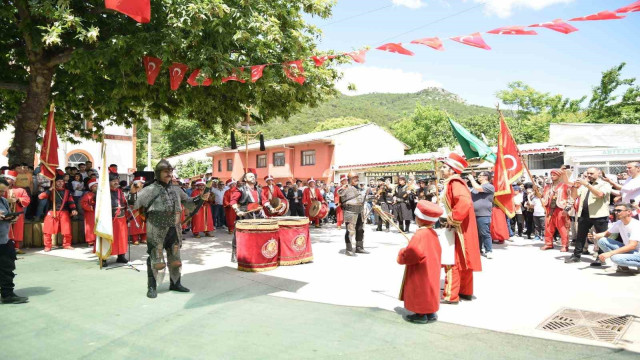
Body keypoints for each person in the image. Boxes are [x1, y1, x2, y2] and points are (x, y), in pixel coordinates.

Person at [129, 159, 206, 298]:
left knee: (175, 259)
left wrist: (200, 197)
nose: (169, 174)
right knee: (155, 258)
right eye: (166, 171)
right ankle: (151, 287)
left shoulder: (177, 189)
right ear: (158, 173)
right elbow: (134, 204)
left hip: (174, 229)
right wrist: (132, 193)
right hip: (156, 228)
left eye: (170, 171)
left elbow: (189, 202)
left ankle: (175, 283)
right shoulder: (149, 190)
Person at [439, 153, 482, 304]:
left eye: (444, 167)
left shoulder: (455, 183)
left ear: (452, 170)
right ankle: (465, 291)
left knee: (452, 259)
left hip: (457, 226)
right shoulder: (453, 182)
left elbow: (464, 203)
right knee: (463, 259)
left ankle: (451, 295)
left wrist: (452, 219)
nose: (441, 170)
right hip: (460, 226)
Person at [398, 200, 443, 324]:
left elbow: (412, 254)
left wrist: (402, 253)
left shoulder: (419, 235)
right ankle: (430, 311)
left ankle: (421, 314)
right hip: (431, 267)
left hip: (421, 269)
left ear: (420, 219)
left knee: (420, 289)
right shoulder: (433, 233)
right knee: (430, 288)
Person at [565, 167, 611, 265]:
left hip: (599, 215)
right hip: (584, 214)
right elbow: (574, 196)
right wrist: (575, 186)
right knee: (580, 236)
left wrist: (587, 184)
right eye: (587, 174)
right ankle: (576, 256)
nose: (589, 175)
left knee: (601, 237)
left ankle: (600, 258)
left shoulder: (604, 184)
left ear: (598, 173)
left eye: (591, 173)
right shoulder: (584, 185)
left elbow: (600, 194)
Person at [0, 178, 28, 304]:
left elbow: (7, 216)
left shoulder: (4, 200)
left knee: (7, 268)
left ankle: (7, 295)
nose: (2, 194)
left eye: (3, 191)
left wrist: (11, 218)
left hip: (4, 240)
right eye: (0, 191)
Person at [592, 203, 640, 273]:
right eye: (615, 210)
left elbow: (632, 246)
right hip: (630, 250)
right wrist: (595, 236)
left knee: (615, 258)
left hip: (637, 252)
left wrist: (610, 253)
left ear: (629, 212)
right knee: (602, 241)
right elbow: (606, 234)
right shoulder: (619, 223)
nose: (616, 212)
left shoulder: (636, 225)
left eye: (619, 210)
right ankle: (623, 267)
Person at [229, 169, 262, 262]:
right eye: (250, 176)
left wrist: (271, 208)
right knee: (239, 236)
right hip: (244, 215)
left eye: (254, 176)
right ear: (245, 179)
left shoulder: (258, 189)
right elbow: (233, 201)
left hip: (257, 215)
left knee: (256, 236)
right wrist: (237, 210)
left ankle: (254, 254)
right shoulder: (240, 189)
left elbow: (264, 201)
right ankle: (235, 255)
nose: (253, 178)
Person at [39, 173, 78, 251]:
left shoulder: (67, 191)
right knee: (48, 230)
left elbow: (71, 201)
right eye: (58, 181)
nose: (60, 183)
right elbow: (41, 197)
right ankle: (47, 246)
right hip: (52, 211)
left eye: (62, 181)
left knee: (66, 229)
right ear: (54, 182)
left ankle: (67, 244)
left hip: (64, 212)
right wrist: (49, 190)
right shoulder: (50, 190)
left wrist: (73, 209)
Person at [338, 171, 367, 256]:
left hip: (360, 211)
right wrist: (343, 187)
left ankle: (359, 247)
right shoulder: (346, 187)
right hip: (350, 211)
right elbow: (339, 193)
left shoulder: (359, 188)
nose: (356, 180)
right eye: (354, 178)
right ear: (350, 179)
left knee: (360, 229)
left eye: (357, 178)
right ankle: (349, 249)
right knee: (350, 230)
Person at [1, 170, 31, 254]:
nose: (6, 180)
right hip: (4, 213)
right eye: (5, 178)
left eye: (8, 178)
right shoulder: (1, 189)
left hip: (17, 212)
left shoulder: (20, 190)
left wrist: (18, 199)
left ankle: (16, 247)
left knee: (17, 230)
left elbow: (27, 200)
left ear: (13, 180)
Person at [541, 169, 571, 251]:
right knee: (548, 227)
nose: (552, 176)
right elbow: (543, 196)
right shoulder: (547, 186)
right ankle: (548, 243)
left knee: (562, 228)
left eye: (554, 175)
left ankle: (565, 245)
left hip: (560, 208)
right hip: (549, 208)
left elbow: (570, 196)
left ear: (559, 176)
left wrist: (567, 208)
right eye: (551, 175)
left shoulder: (565, 185)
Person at [468, 171, 495, 258]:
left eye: (480, 175)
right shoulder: (475, 187)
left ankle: (489, 250)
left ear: (486, 177)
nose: (478, 177)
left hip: (483, 214)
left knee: (484, 233)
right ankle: (478, 249)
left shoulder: (489, 186)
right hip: (473, 213)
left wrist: (472, 179)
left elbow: (478, 188)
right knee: (476, 233)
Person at [109, 173, 129, 265]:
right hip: (109, 219)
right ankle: (104, 257)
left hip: (121, 218)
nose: (116, 182)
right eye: (113, 181)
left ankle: (121, 256)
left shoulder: (120, 191)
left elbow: (124, 203)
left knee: (122, 237)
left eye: (117, 180)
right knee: (108, 237)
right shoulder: (104, 192)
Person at [128, 176, 147, 245]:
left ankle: (143, 238)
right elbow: (131, 202)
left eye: (142, 183)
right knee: (135, 225)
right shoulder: (132, 192)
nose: (142, 184)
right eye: (140, 183)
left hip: (143, 210)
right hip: (135, 210)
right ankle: (135, 239)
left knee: (144, 224)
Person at [80, 179, 98, 247]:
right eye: (95, 186)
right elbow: (83, 203)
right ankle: (90, 241)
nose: (96, 187)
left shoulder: (101, 195)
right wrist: (91, 207)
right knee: (90, 227)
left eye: (97, 186)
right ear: (91, 187)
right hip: (90, 213)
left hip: (98, 213)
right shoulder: (87, 195)